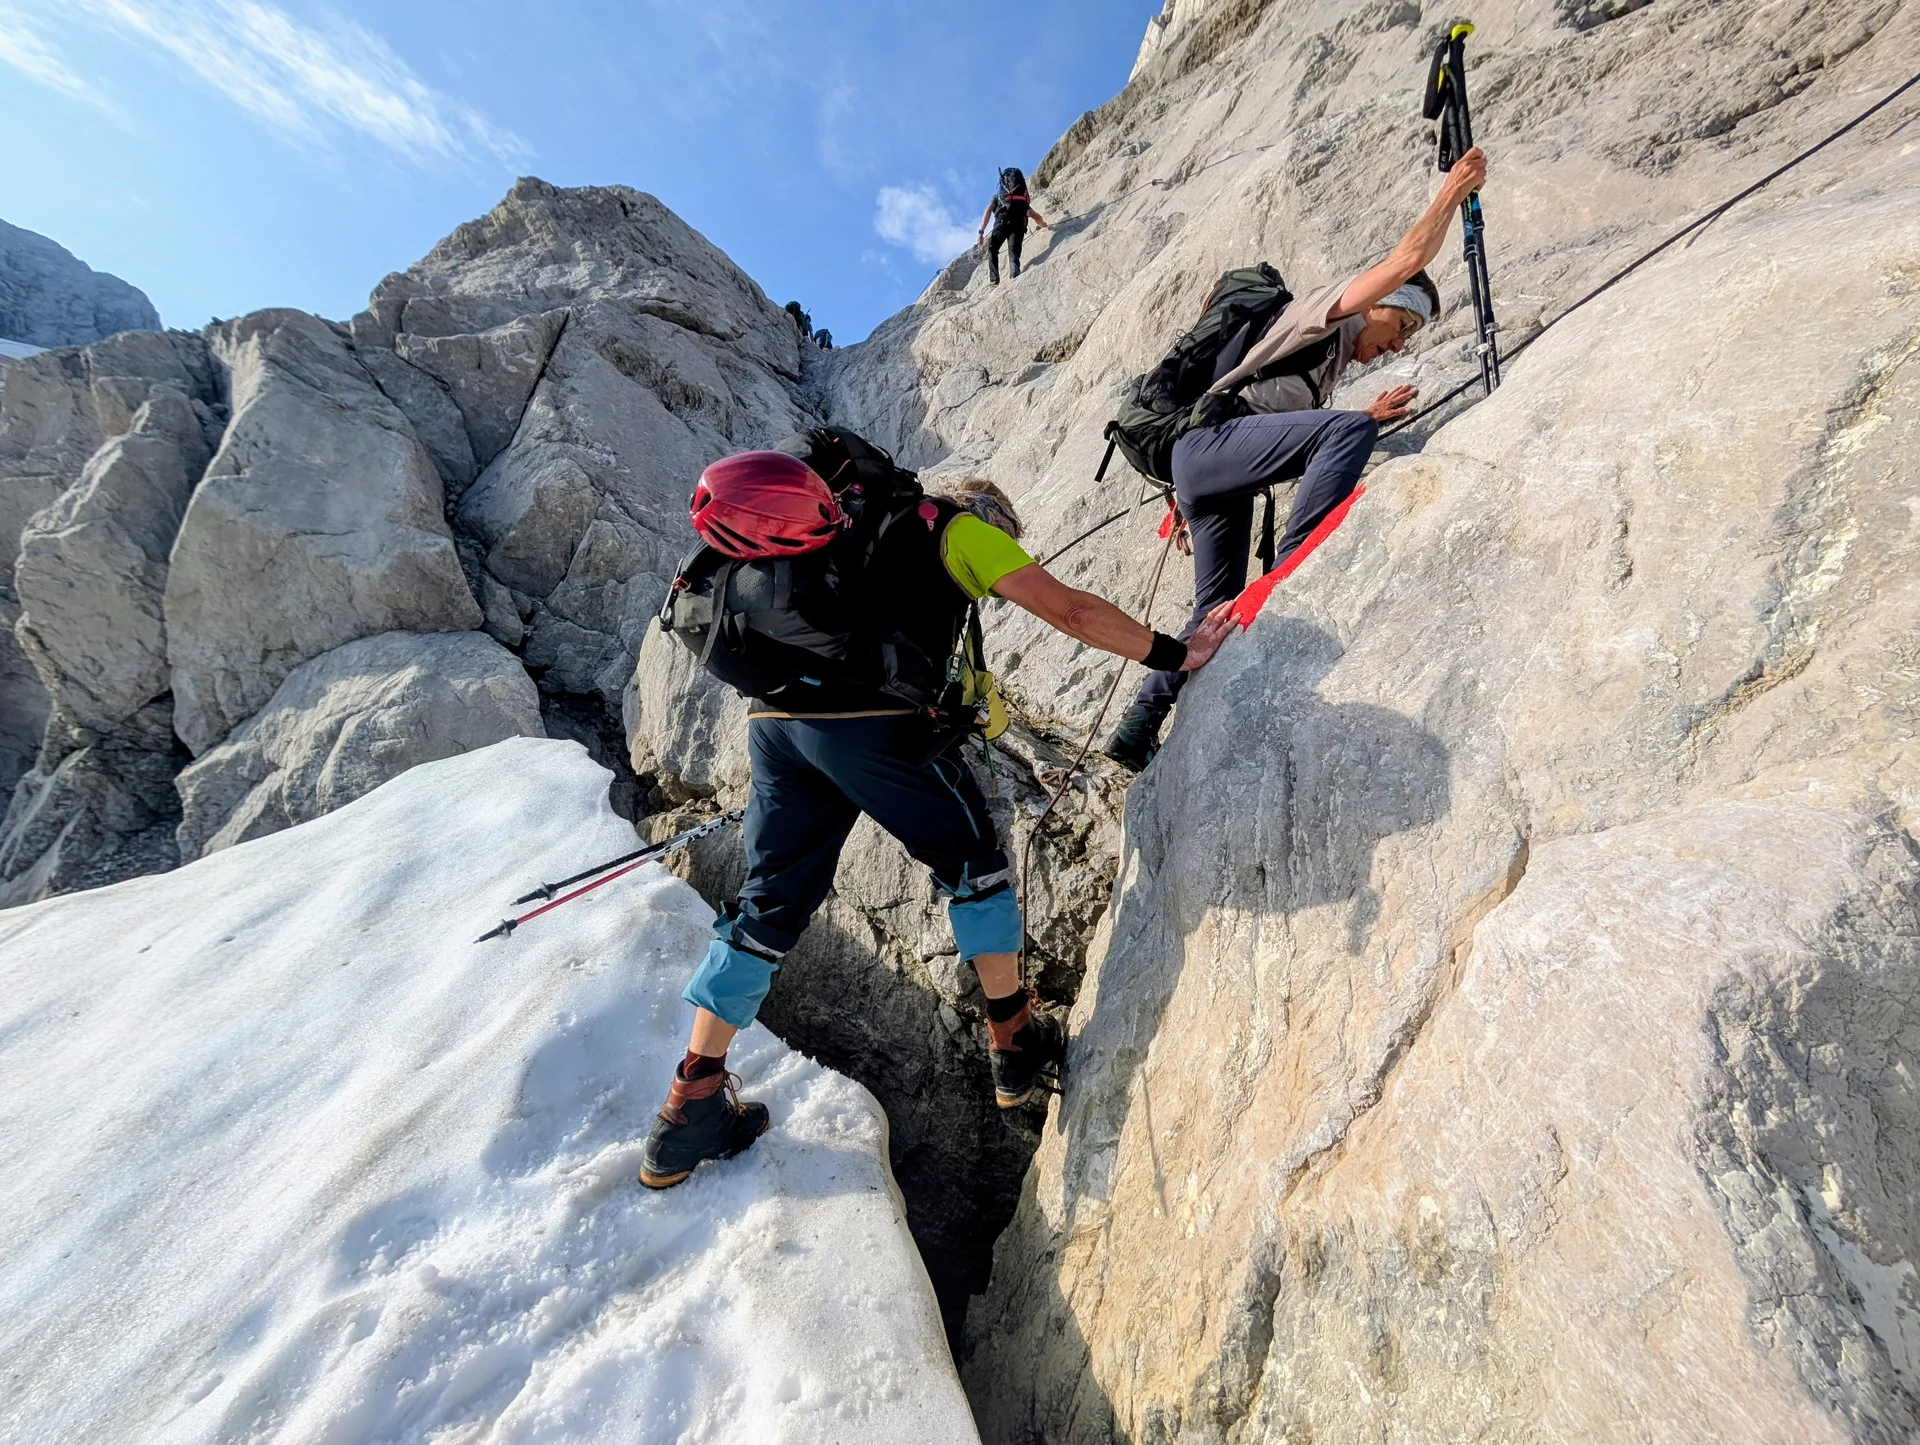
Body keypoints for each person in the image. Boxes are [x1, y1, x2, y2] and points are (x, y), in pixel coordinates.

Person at [640, 446, 1236, 1189]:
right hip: (867, 727)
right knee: (976, 863)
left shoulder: (851, 525)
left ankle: (687, 1106)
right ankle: (1013, 1043)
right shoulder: (958, 533)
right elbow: (1072, 610)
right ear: (996, 521)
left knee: (765, 906)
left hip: (775, 726)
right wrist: (1179, 651)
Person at [1102, 146, 1490, 772]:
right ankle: (1296, 570)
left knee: (1214, 613)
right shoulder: (1318, 315)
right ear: (1377, 303)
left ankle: (1140, 721)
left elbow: (1270, 416)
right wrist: (1450, 194)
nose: (1396, 345)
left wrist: (1362, 418)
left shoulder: (1328, 366)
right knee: (1339, 435)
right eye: (1402, 327)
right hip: (1208, 455)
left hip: (1210, 473)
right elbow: (1406, 261)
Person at [976, 167, 1049, 285]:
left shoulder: (999, 197)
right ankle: (1014, 275)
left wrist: (981, 232)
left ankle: (994, 280)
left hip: (1001, 223)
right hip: (1019, 224)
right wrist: (1043, 225)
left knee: (993, 249)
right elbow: (1033, 215)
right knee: (1014, 253)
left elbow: (988, 211)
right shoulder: (1022, 201)